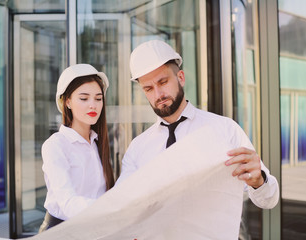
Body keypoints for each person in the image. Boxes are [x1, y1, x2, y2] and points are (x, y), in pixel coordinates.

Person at [116, 40, 279, 209]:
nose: (158, 94)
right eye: (148, 88)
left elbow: (268, 200)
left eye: (163, 82)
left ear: (181, 78)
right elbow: (122, 206)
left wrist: (259, 181)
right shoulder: (137, 149)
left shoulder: (224, 129)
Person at [38, 64, 115, 232]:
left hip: (94, 230)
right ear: (67, 102)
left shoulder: (97, 143)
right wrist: (112, 208)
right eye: (84, 98)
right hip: (61, 232)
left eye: (98, 98)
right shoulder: (56, 145)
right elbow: (67, 202)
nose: (93, 105)